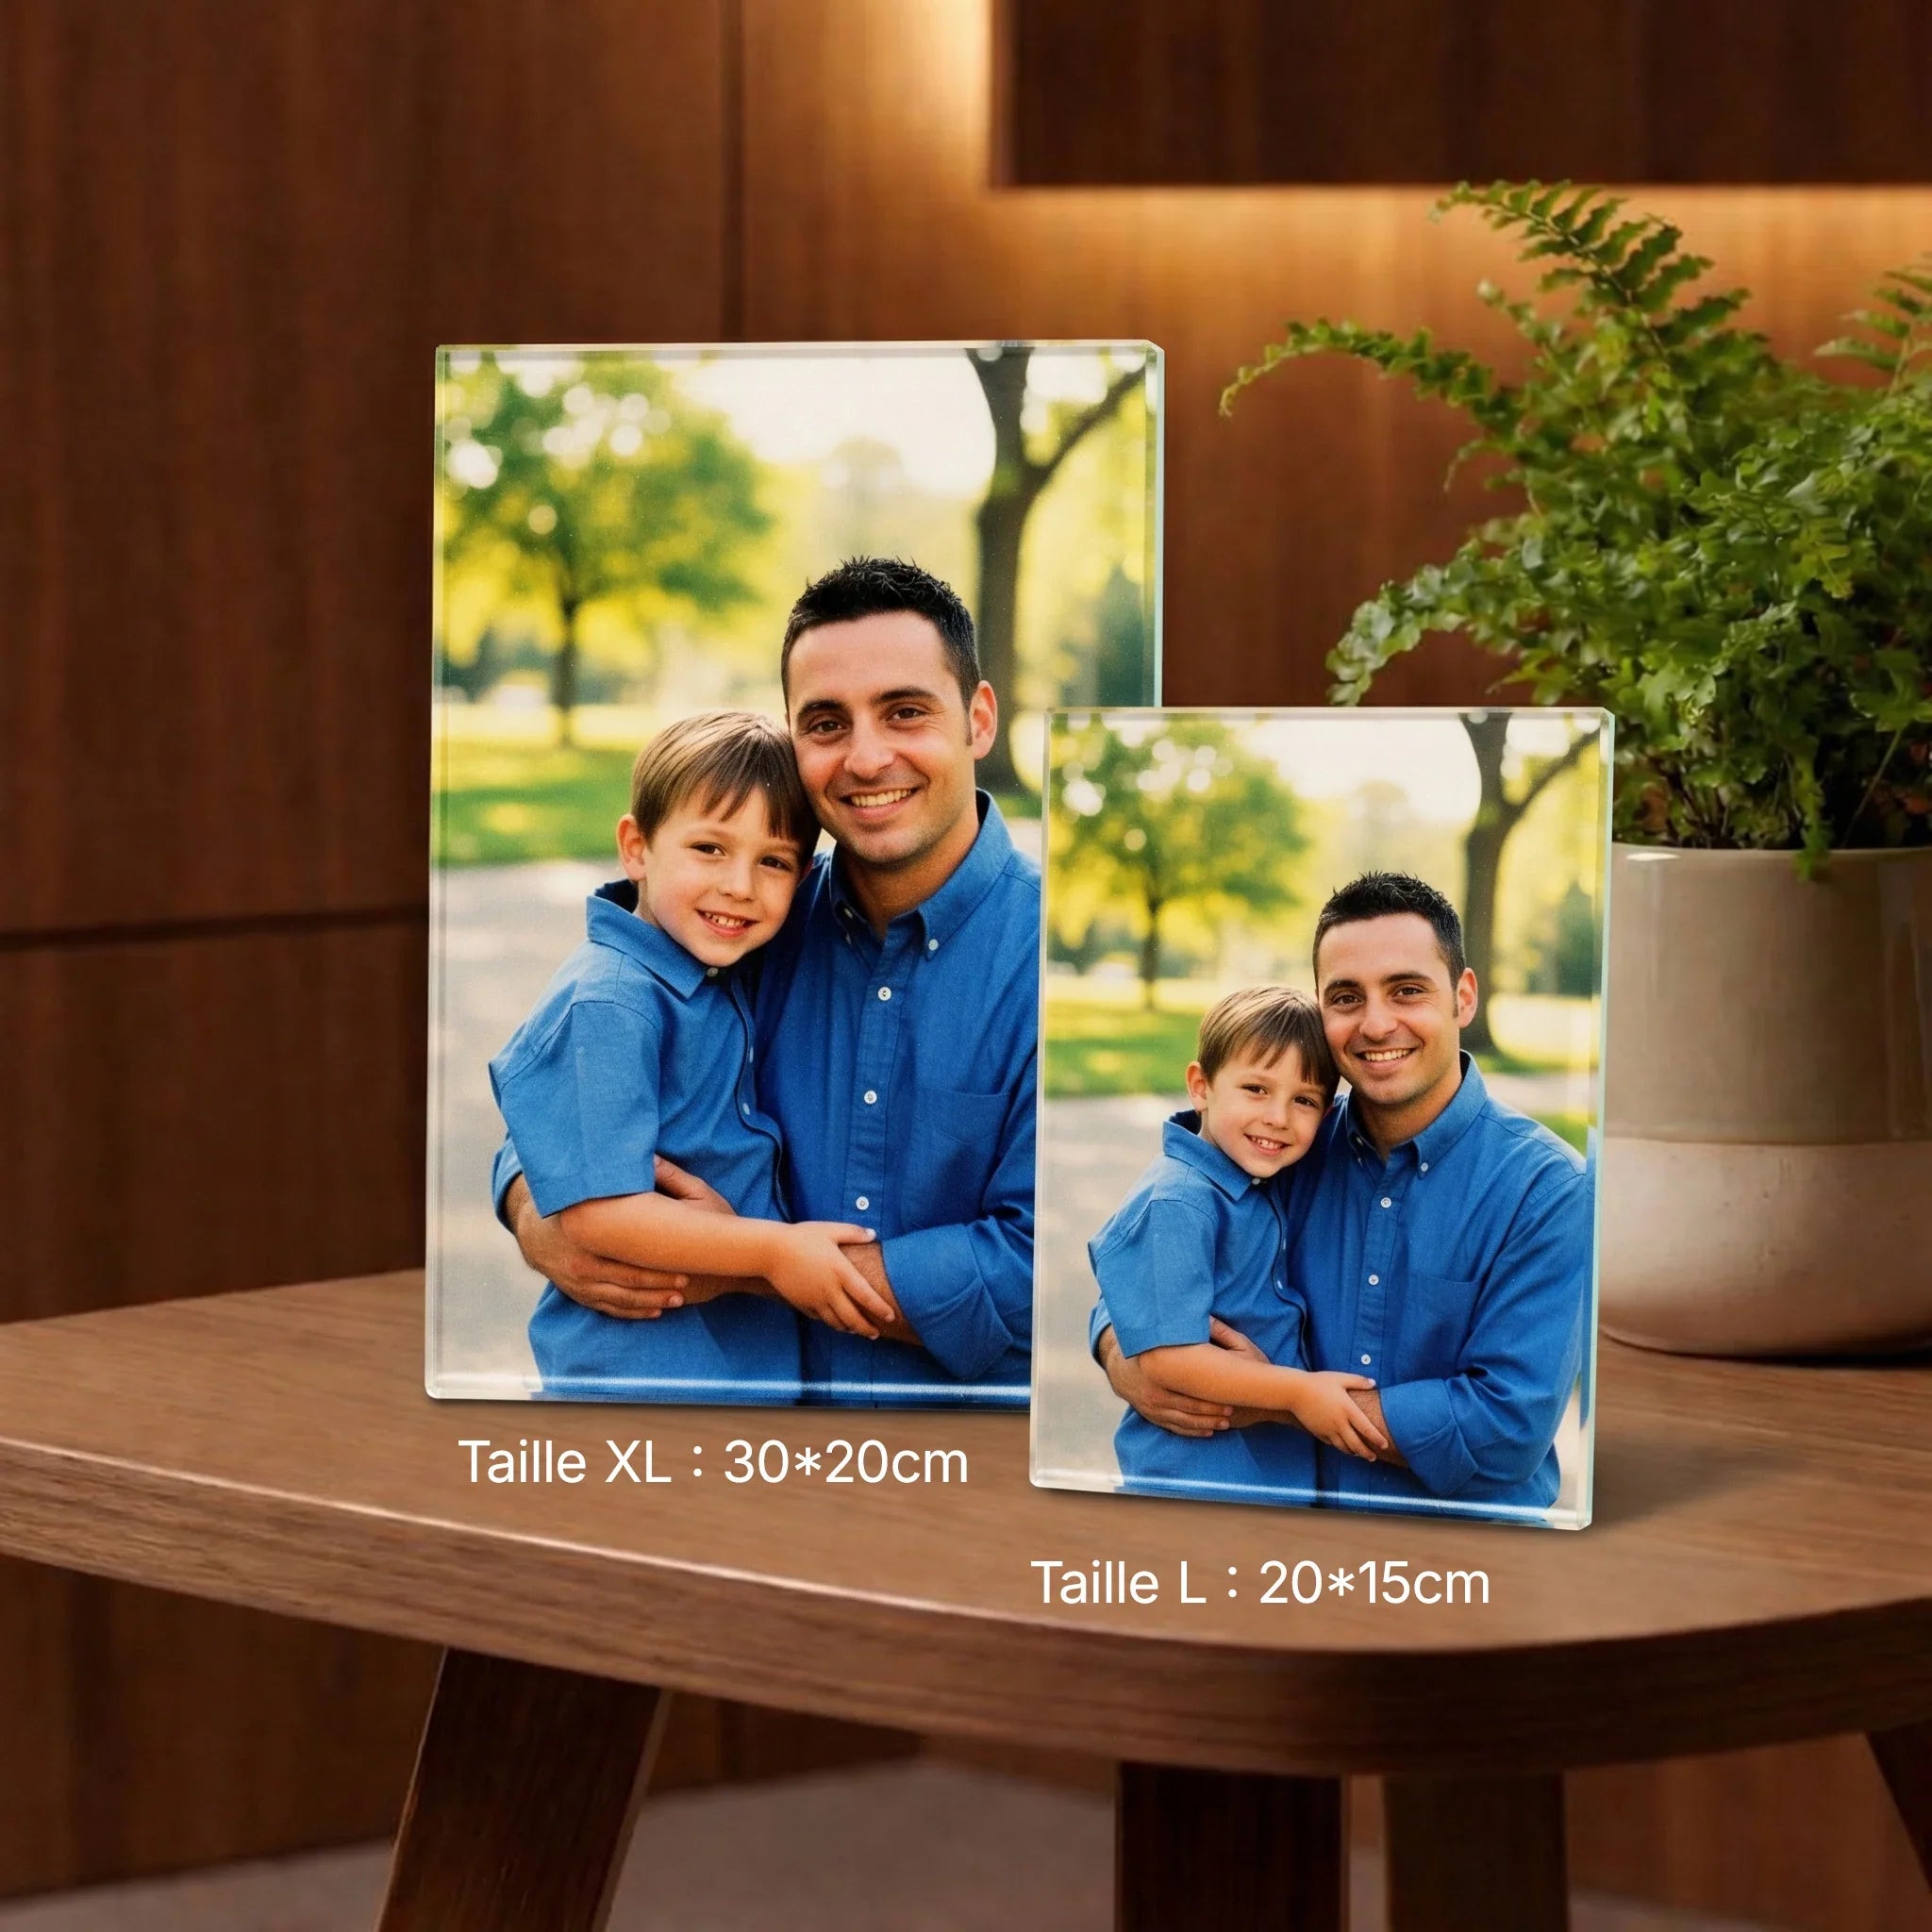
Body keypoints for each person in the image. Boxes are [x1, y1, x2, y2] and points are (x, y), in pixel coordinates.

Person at [495, 558, 1039, 1407]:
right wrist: (537, 1208)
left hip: (947, 1452)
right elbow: (593, 1085)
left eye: (905, 712)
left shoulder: (1044, 963)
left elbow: (1037, 1270)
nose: (867, 757)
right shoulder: (743, 926)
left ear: (978, 719)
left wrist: (748, 1264)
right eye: (825, 723)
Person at [1095, 873, 1591, 1516]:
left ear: (1463, 997)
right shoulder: (1282, 1146)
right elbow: (1161, 1259)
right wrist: (1120, 1353)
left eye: (1407, 990)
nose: (1377, 1024)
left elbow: (1505, 1427)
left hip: (1454, 1555)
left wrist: (1275, 1399)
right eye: (1347, 998)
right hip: (1280, 1541)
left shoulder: (1548, 1189)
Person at [489, 711, 891, 1402]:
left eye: (773, 861)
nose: (740, 885)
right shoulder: (610, 1002)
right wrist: (774, 1250)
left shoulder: (718, 967)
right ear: (637, 848)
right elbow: (597, 1214)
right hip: (638, 1381)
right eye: (709, 848)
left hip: (736, 1376)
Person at [1090, 985, 1386, 1502]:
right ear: (1200, 1087)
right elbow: (1167, 1358)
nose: (1278, 1117)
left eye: (1304, 1100)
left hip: (1266, 1481)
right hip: (1193, 1485)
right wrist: (1298, 1391)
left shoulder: (1260, 1178)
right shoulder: (1178, 1201)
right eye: (1255, 1089)